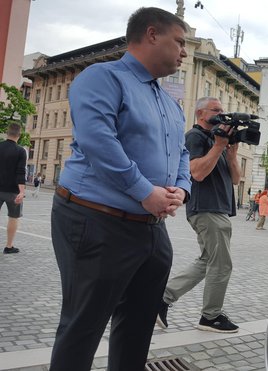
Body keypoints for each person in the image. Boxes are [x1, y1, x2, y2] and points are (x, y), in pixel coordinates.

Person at [50, 8, 191, 371]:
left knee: (138, 325)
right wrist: (144, 190)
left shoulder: (170, 104)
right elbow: (98, 140)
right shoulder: (102, 77)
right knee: (83, 326)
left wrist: (181, 189)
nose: (184, 53)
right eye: (180, 42)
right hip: (96, 218)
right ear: (151, 34)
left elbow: (183, 151)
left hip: (150, 228)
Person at [156, 96, 240, 334]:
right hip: (206, 208)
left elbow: (235, 179)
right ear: (201, 114)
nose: (221, 114)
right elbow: (197, 173)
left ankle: (161, 299)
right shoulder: (195, 137)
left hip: (218, 208)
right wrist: (218, 147)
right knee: (221, 264)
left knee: (207, 262)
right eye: (216, 110)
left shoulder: (219, 141)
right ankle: (210, 316)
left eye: (223, 110)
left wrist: (231, 154)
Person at [0, 123, 26, 254]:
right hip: (12, 192)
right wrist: (22, 192)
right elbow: (21, 172)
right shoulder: (21, 151)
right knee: (13, 217)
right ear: (19, 135)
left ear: (7, 132)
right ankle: (9, 246)